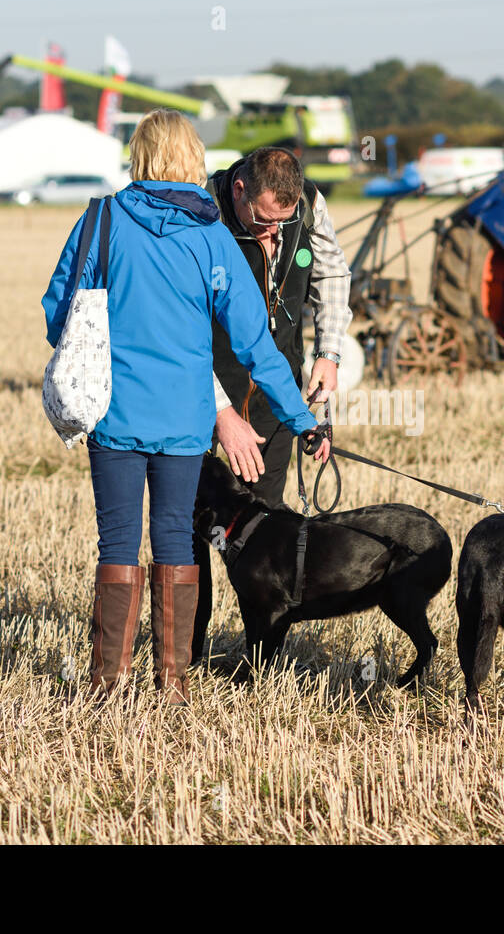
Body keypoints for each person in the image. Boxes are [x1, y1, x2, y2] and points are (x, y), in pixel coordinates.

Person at [39, 111, 329, 704]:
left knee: (116, 541)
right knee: (175, 537)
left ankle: (106, 683)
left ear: (139, 154)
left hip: (114, 415)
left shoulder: (102, 220)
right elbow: (256, 346)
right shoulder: (212, 235)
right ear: (195, 158)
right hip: (184, 422)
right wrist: (302, 420)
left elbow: (56, 313)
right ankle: (172, 683)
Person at [190, 147, 352, 664]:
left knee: (264, 525)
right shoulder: (199, 211)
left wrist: (328, 354)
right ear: (238, 189)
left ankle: (261, 655)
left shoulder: (310, 206)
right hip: (201, 390)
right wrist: (220, 411)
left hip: (277, 390)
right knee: (189, 530)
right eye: (263, 219)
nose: (271, 234)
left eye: (283, 222)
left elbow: (332, 275)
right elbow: (180, 324)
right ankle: (184, 657)